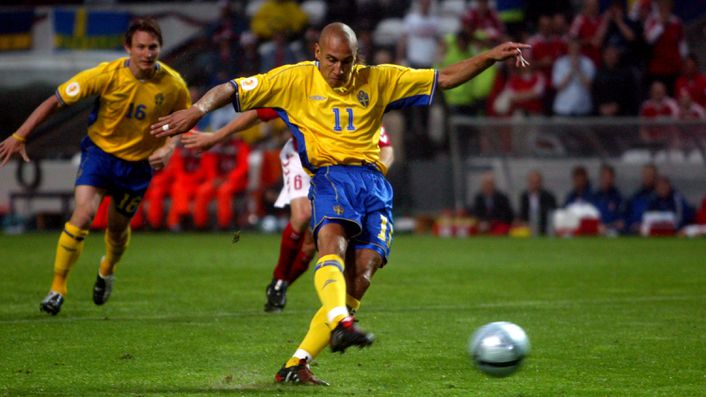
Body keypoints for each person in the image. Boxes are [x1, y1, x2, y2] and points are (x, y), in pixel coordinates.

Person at [151, 22, 529, 385]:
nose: (338, 69)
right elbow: (232, 88)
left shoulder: (378, 78)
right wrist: (198, 111)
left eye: (346, 61)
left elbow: (443, 78)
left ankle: (297, 364)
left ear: (357, 56)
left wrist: (489, 57)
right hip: (331, 176)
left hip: (375, 184)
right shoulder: (294, 79)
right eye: (331, 60)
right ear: (317, 52)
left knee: (362, 275)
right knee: (331, 242)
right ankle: (337, 321)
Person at [0, 18, 191, 315]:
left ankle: (107, 268)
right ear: (128, 47)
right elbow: (55, 100)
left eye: (152, 47)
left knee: (117, 230)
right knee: (84, 214)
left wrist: (168, 148)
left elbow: (184, 119)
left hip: (137, 165)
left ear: (160, 48)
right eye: (140, 47)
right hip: (100, 156)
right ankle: (57, 288)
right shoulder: (105, 75)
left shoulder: (174, 84)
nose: (147, 53)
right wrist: (20, 135)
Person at [182, 109, 394, 313]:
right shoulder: (302, 85)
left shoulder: (358, 104)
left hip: (340, 170)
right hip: (301, 158)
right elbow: (259, 113)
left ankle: (281, 285)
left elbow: (386, 147)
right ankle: (280, 279)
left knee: (312, 244)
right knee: (303, 216)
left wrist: (377, 171)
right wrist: (217, 136)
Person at [518, 169, 557, 236]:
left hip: (544, 226)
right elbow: (522, 212)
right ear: (529, 182)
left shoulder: (548, 196)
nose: (534, 184)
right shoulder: (524, 196)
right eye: (532, 182)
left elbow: (552, 212)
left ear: (540, 182)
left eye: (536, 182)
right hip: (528, 226)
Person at [593, 164, 624, 233]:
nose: (607, 180)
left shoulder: (618, 198)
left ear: (613, 179)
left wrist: (607, 227)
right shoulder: (594, 198)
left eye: (609, 177)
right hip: (596, 232)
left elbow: (621, 223)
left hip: (612, 233)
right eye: (604, 177)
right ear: (600, 178)